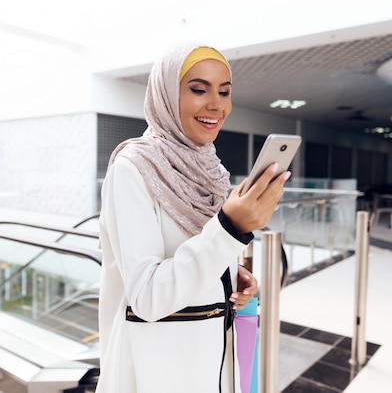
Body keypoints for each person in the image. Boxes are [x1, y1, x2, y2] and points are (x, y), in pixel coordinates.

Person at [97, 42, 291, 393]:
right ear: (167, 95)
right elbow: (148, 296)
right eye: (198, 89)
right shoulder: (133, 169)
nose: (216, 104)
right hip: (157, 367)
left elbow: (198, 254)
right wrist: (231, 228)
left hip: (213, 361)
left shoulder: (211, 170)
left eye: (225, 91)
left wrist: (229, 278)